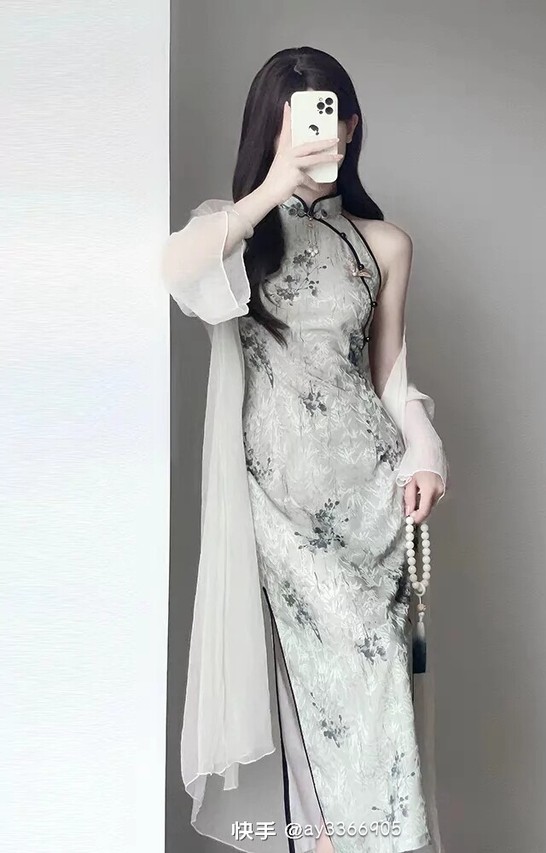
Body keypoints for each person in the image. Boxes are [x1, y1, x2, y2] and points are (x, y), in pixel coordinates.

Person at [162, 46, 449, 853]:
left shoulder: (383, 243)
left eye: (332, 118)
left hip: (372, 498)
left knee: (377, 687)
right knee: (317, 691)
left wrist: (425, 450)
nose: (323, 132)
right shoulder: (234, 227)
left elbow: (390, 376)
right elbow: (176, 273)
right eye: (297, 121)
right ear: (271, 128)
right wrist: (275, 184)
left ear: (352, 127)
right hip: (278, 497)